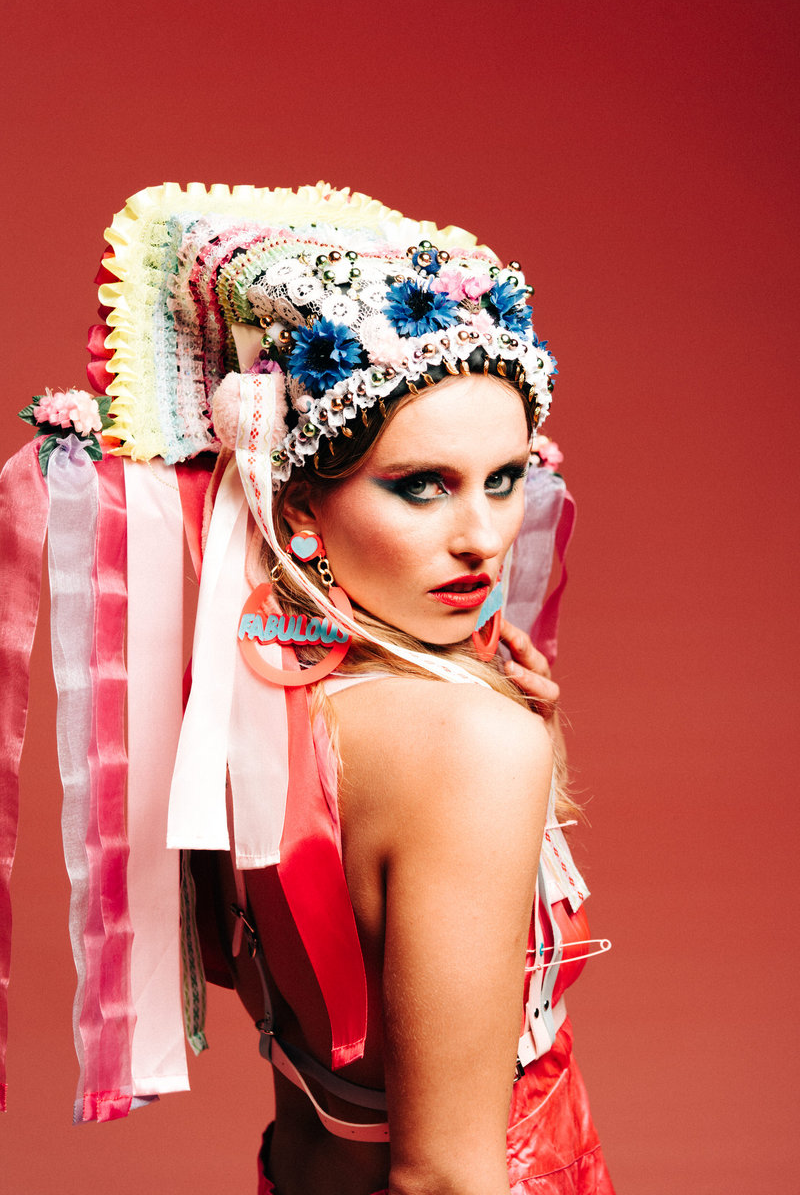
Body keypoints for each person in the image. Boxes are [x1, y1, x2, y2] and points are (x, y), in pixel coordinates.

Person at [0, 183, 613, 1193]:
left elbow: (236, 968)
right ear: (297, 505)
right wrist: (491, 736)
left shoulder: (236, 710)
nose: (482, 537)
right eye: (420, 485)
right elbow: (445, 1176)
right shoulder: (470, 746)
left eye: (503, 478)